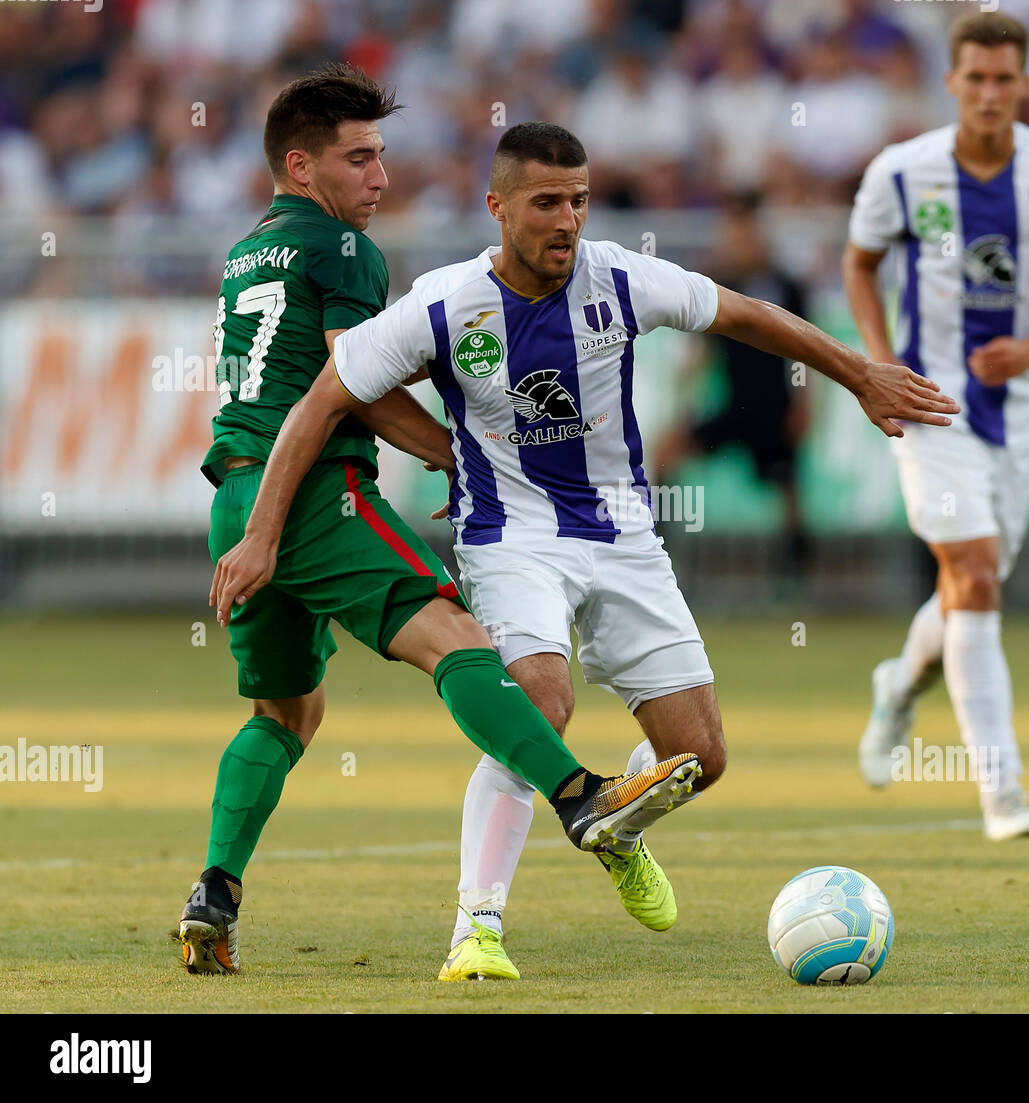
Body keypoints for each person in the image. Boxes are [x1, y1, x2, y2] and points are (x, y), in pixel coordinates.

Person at [209, 121, 959, 980]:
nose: (566, 220)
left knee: (700, 757)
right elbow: (322, 401)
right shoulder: (446, 304)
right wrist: (264, 529)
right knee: (539, 700)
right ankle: (476, 928)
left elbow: (748, 315)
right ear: (497, 207)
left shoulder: (622, 278)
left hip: (623, 535)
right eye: (545, 203)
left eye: (578, 201)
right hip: (509, 537)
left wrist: (858, 373)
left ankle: (619, 824)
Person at [178, 70, 701, 977]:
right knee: (455, 635)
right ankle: (581, 796)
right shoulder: (344, 250)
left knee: (286, 712)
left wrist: (254, 529)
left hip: (234, 492)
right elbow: (353, 383)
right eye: (360, 157)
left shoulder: (249, 249)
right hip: (309, 497)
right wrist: (460, 451)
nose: (380, 176)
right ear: (301, 166)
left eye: (381, 155)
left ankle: (213, 894)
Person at [842, 12, 1029, 840]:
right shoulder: (902, 171)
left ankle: (897, 684)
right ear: (951, 83)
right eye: (977, 78)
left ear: (1025, 85)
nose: (991, 93)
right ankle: (1002, 792)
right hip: (932, 404)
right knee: (972, 570)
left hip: (1021, 412)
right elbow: (858, 263)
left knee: (971, 585)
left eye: (1006, 79)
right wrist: (878, 367)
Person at [653, 193, 813, 573]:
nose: (737, 240)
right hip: (732, 406)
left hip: (775, 407)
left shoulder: (786, 286)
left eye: (744, 231)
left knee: (788, 494)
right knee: (665, 456)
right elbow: (703, 350)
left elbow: (806, 350)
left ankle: (793, 579)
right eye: (732, 232)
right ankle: (658, 556)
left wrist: (805, 406)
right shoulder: (718, 285)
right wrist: (685, 398)